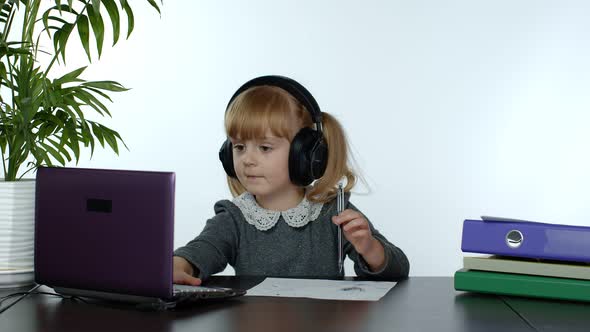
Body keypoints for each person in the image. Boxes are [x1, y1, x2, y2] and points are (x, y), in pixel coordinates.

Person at [173, 75, 409, 285]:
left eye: (265, 147)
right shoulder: (235, 217)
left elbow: (399, 268)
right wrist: (180, 265)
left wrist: (369, 248)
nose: (247, 159)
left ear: (305, 155)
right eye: (239, 147)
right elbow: (202, 249)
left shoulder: (331, 212)